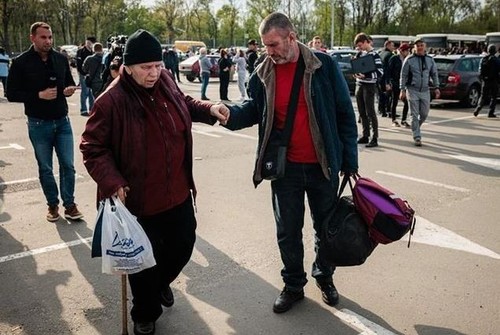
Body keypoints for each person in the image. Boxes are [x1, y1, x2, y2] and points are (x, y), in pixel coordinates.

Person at [80, 29, 229, 335]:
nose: (154, 73)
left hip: (176, 191)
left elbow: (184, 103)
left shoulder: (165, 81)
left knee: (183, 246)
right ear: (128, 67)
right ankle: (144, 313)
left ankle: (159, 284)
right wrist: (113, 180)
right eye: (146, 68)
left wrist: (209, 109)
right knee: (142, 264)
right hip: (138, 199)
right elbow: (92, 147)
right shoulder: (111, 101)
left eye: (158, 66)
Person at [223, 12, 358, 314]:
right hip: (285, 168)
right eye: (265, 45)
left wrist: (349, 161)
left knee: (326, 228)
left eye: (273, 45)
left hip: (323, 165)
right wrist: (229, 115)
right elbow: (252, 109)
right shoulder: (263, 71)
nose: (268, 51)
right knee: (287, 231)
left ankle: (324, 276)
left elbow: (344, 115)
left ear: (291, 37)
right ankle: (294, 285)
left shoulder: (323, 66)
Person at [6, 22, 83, 222]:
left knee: (68, 165)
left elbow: (68, 82)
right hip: (38, 124)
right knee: (45, 167)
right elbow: (11, 93)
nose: (48, 41)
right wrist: (38, 95)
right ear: (32, 38)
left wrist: (69, 89)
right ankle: (52, 204)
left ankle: (70, 204)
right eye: (43, 37)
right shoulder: (21, 62)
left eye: (50, 37)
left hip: (62, 121)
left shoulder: (60, 58)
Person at [400, 38, 440, 146]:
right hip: (412, 89)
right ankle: (417, 136)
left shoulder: (430, 60)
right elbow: (403, 75)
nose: (420, 47)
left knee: (424, 113)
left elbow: (434, 74)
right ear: (414, 47)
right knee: (414, 114)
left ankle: (415, 126)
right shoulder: (409, 59)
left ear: (425, 46)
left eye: (422, 45)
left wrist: (436, 87)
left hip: (425, 90)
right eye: (418, 45)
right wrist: (402, 90)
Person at [353, 32, 384, 148]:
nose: (359, 47)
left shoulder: (375, 55)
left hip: (369, 86)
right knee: (361, 112)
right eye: (357, 46)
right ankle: (365, 135)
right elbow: (356, 68)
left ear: (366, 42)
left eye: (360, 45)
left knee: (370, 112)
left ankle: (374, 137)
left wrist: (366, 76)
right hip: (359, 85)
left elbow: (380, 72)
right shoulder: (359, 54)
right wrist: (356, 74)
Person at [385, 43, 411, 127]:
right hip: (395, 82)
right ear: (402, 51)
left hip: (404, 83)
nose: (408, 52)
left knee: (406, 102)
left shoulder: (408, 59)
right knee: (394, 100)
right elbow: (388, 71)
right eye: (407, 50)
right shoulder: (394, 58)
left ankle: (403, 120)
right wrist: (388, 82)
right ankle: (394, 119)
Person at [473, 44, 499, 118]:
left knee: (483, 96)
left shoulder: (483, 59)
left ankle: (478, 109)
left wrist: (483, 78)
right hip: (494, 81)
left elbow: (480, 70)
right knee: (494, 97)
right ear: (495, 51)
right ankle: (491, 112)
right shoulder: (496, 59)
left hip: (485, 81)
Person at [76, 36, 96, 116]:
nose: (88, 44)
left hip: (92, 75)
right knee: (85, 91)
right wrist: (83, 73)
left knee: (91, 93)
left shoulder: (94, 52)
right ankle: (83, 110)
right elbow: (79, 64)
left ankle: (92, 109)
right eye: (87, 42)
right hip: (83, 74)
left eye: (90, 43)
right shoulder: (81, 51)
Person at [378, 40, 395, 117]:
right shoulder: (390, 55)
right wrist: (388, 81)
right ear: (387, 45)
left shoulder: (380, 53)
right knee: (388, 95)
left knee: (381, 95)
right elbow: (389, 69)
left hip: (379, 77)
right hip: (386, 77)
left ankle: (381, 110)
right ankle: (388, 110)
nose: (393, 47)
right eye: (392, 46)